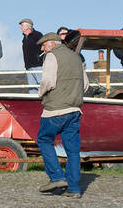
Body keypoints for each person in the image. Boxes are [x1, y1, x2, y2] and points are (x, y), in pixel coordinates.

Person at [35, 32, 88, 197]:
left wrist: (40, 93)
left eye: (43, 45)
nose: (43, 49)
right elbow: (85, 84)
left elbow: (48, 81)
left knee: (44, 140)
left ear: (51, 44)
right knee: (72, 150)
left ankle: (57, 177)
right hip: (74, 110)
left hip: (55, 109)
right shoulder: (76, 57)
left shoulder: (51, 56)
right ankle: (74, 189)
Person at [20, 19, 44, 88]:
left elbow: (43, 48)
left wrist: (39, 58)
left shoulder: (37, 35)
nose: (20, 27)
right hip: (28, 66)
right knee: (31, 87)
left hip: (38, 65)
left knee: (41, 86)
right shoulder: (24, 38)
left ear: (27, 26)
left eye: (22, 25)